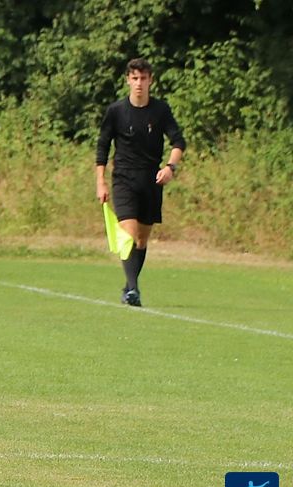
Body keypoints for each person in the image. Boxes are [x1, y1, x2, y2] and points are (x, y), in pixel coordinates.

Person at [95, 57, 186, 307]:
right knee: (129, 234)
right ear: (128, 80)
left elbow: (178, 142)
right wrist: (100, 181)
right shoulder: (116, 111)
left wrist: (170, 167)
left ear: (150, 81)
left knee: (142, 240)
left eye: (143, 78)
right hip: (123, 178)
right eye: (134, 78)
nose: (139, 83)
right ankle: (134, 289)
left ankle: (129, 286)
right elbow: (102, 147)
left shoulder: (160, 110)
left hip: (151, 180)